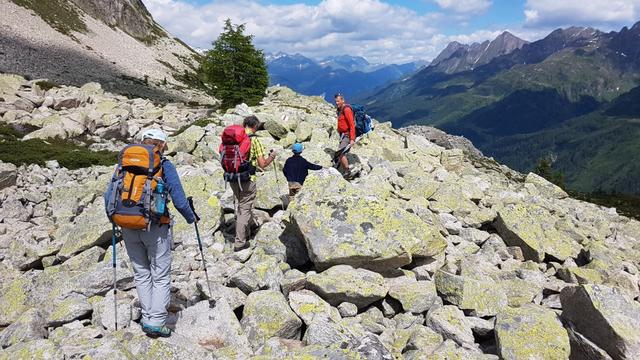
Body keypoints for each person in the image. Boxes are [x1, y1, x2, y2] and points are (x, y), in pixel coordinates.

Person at [105, 128, 196, 338]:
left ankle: (147, 316)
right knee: (161, 275)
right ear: (162, 145)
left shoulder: (123, 165)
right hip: (155, 226)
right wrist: (191, 218)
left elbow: (108, 195)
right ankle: (155, 322)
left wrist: (114, 219)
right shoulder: (164, 165)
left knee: (141, 272)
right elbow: (180, 199)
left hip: (127, 225)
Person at [229, 115, 277, 251]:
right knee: (244, 209)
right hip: (248, 179)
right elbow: (263, 164)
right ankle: (240, 242)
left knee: (242, 205)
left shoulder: (233, 138)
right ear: (255, 126)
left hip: (232, 178)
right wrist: (272, 156)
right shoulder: (254, 140)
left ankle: (248, 229)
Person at [334, 93, 355, 176]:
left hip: (347, 135)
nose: (337, 103)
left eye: (338, 101)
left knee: (340, 152)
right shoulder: (340, 109)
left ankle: (347, 171)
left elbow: (351, 125)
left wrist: (352, 139)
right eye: (336, 101)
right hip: (343, 134)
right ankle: (342, 167)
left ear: (343, 100)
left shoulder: (346, 110)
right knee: (340, 152)